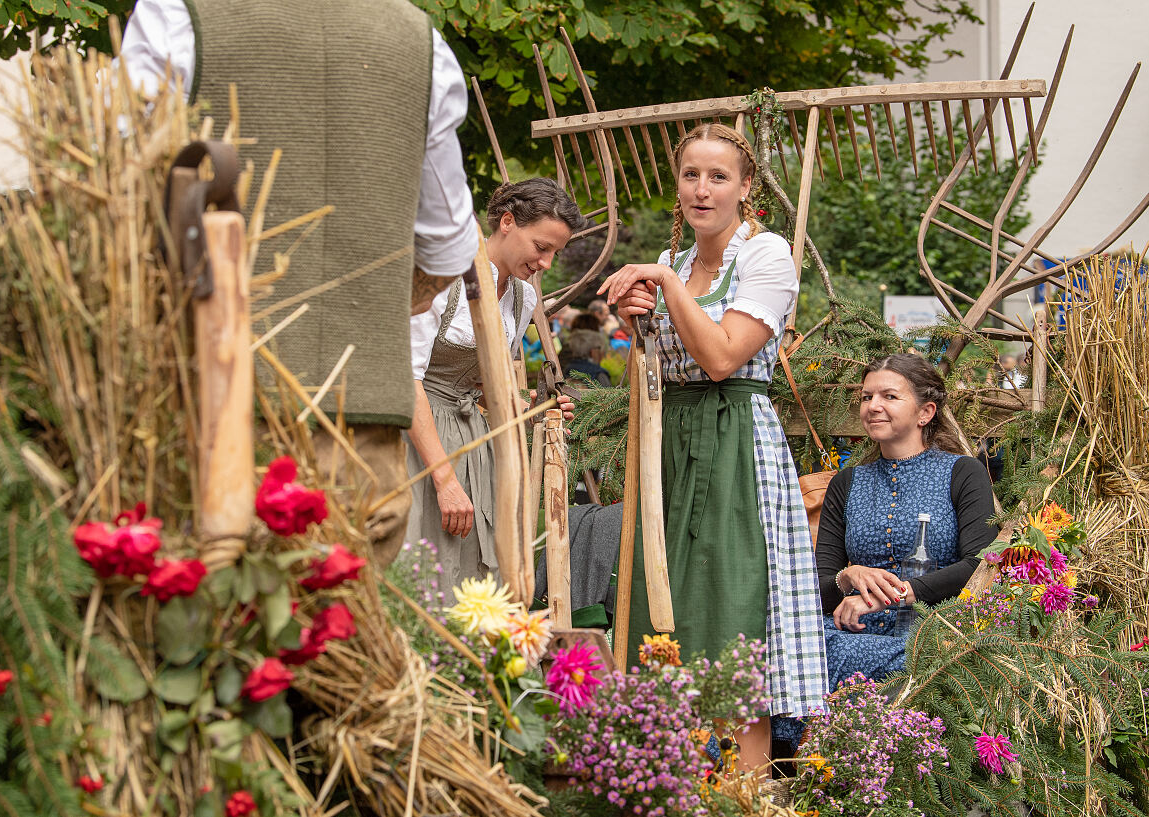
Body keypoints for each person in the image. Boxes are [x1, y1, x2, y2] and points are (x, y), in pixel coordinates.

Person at [120, 0, 479, 566]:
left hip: (202, 418)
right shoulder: (419, 40)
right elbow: (449, 244)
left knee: (196, 628)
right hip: (359, 430)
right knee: (341, 631)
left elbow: (124, 190)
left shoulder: (178, 12)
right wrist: (376, 306)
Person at [597, 123, 827, 771]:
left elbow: (724, 357)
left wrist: (665, 288)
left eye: (718, 176)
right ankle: (665, 783)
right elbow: (658, 369)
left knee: (733, 608)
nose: (702, 189)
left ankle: (743, 795)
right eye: (690, 175)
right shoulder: (671, 264)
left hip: (735, 450)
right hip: (669, 448)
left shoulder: (766, 255)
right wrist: (631, 318)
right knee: (658, 608)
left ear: (745, 187)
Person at [407, 178, 585, 599]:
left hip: (474, 443)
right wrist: (445, 479)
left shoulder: (522, 299)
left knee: (470, 571)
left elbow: (485, 386)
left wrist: (532, 410)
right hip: (419, 442)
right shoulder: (442, 279)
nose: (546, 262)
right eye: (541, 247)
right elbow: (405, 379)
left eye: (554, 253)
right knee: (423, 564)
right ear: (507, 222)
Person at [815, 353, 997, 692]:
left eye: (889, 396)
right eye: (867, 397)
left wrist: (894, 595)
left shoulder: (962, 472)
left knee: (906, 658)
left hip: (933, 632)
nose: (873, 406)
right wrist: (847, 577)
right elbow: (819, 585)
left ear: (925, 413)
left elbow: (981, 564)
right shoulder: (847, 483)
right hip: (851, 630)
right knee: (798, 649)